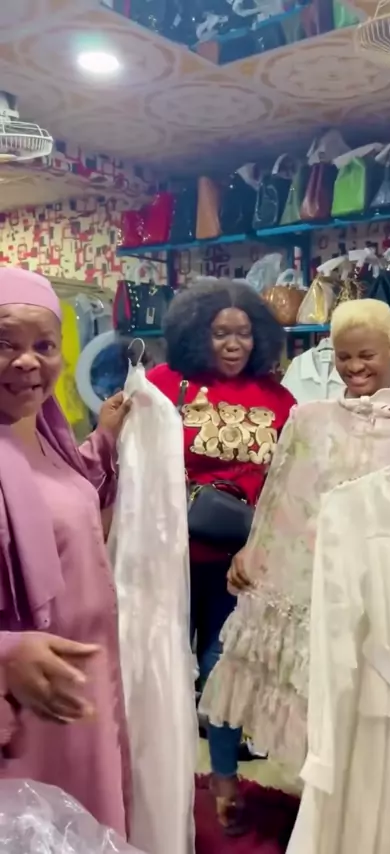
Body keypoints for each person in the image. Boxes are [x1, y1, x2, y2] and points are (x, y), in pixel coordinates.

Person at [147, 278, 295, 834]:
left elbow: (289, 482)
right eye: (220, 333)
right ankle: (154, 783)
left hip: (239, 564)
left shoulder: (279, 400)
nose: (234, 344)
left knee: (223, 670)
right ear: (195, 333)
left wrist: (265, 549)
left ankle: (225, 781)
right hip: (168, 556)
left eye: (244, 333)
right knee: (158, 668)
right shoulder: (165, 384)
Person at [0, 267, 131, 837]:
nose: (28, 362)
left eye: (44, 346)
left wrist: (104, 439)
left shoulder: (43, 433)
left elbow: (67, 497)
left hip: (80, 683)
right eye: (6, 344)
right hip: (25, 702)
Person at [228, 297, 390, 593]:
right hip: (337, 569)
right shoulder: (323, 416)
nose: (355, 366)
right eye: (344, 357)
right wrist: (257, 549)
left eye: (366, 355)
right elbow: (294, 498)